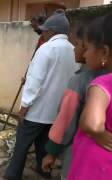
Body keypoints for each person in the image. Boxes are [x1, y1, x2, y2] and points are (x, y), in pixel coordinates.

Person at [4, 9, 78, 180]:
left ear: (52, 31)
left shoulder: (46, 49)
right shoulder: (73, 50)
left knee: (22, 144)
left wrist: (24, 108)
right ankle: (43, 170)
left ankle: (12, 175)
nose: (42, 32)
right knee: (44, 143)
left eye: (45, 30)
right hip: (56, 112)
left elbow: (35, 83)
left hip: (37, 111)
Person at [42, 21, 108, 179]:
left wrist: (52, 152)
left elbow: (65, 121)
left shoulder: (81, 81)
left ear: (103, 52)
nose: (77, 50)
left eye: (80, 44)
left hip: (80, 156)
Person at [68, 14, 112, 180]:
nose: (85, 54)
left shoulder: (102, 83)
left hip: (93, 168)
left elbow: (92, 124)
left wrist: (99, 135)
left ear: (104, 52)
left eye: (87, 48)